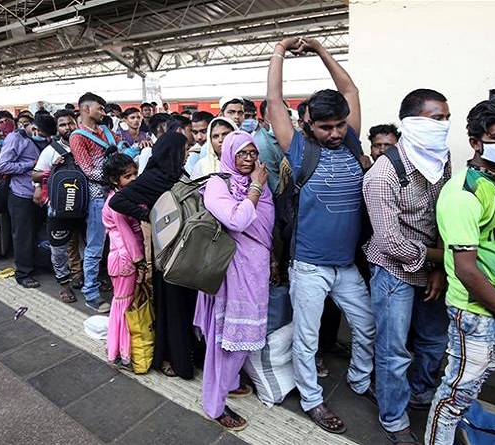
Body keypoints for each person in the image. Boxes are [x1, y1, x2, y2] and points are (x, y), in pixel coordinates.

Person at [267, 36, 374, 434]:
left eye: (339, 124)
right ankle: (313, 401)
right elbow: (275, 102)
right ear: (307, 125)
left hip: (346, 265)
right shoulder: (297, 149)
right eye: (325, 126)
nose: (334, 132)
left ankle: (361, 380)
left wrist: (318, 49)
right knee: (307, 340)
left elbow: (350, 90)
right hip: (309, 266)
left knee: (367, 326)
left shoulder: (349, 143)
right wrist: (280, 50)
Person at [426, 99, 495, 445]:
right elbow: (466, 270)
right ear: (476, 141)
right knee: (455, 394)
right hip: (475, 311)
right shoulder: (463, 194)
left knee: (475, 383)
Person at [363, 89, 451, 444]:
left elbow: (445, 216)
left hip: (432, 267)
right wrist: (441, 260)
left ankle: (420, 392)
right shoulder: (383, 175)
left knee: (433, 340)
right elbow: (391, 243)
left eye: (446, 118)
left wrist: (440, 268)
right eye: (436, 119)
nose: (444, 126)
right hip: (393, 271)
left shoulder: (440, 160)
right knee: (393, 349)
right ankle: (392, 416)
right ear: (412, 123)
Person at [194, 131, 274, 431]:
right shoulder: (218, 183)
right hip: (232, 270)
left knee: (239, 337)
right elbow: (237, 221)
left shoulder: (259, 185)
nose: (249, 159)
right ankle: (214, 405)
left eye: (253, 153)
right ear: (228, 154)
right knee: (229, 341)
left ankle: (228, 383)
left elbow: (266, 226)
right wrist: (255, 186)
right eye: (242, 153)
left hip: (257, 268)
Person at [108, 132, 198, 379]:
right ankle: (169, 358)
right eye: (184, 150)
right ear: (172, 152)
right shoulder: (153, 178)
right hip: (166, 254)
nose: (187, 154)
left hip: (183, 252)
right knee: (169, 307)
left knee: (183, 305)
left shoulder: (177, 174)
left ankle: (186, 353)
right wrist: (151, 216)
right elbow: (119, 202)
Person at [70, 92, 122, 313]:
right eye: (99, 108)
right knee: (95, 247)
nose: (103, 112)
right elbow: (89, 171)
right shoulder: (78, 137)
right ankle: (90, 293)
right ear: (85, 109)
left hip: (115, 194)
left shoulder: (107, 133)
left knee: (118, 245)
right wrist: (117, 172)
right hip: (97, 198)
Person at [32, 109, 85, 301]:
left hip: (84, 208)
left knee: (88, 246)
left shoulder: (86, 146)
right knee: (59, 249)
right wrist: (53, 168)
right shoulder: (50, 150)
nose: (68, 127)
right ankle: (64, 285)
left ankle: (86, 278)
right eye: (62, 124)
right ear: (56, 129)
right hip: (58, 209)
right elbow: (35, 175)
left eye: (71, 123)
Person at [0, 114, 52, 288]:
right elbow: (3, 166)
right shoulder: (15, 139)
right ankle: (23, 273)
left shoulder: (48, 140)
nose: (46, 139)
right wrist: (31, 165)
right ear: (34, 129)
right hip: (21, 194)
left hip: (43, 195)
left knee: (38, 232)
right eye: (44, 135)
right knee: (23, 235)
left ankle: (36, 263)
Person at [101, 154, 146, 371]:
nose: (134, 178)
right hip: (125, 259)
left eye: (135, 173)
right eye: (128, 176)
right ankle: (121, 353)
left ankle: (118, 350)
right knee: (123, 305)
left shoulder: (120, 196)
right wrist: (140, 261)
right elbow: (127, 235)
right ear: (114, 180)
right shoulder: (116, 202)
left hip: (122, 257)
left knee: (122, 304)